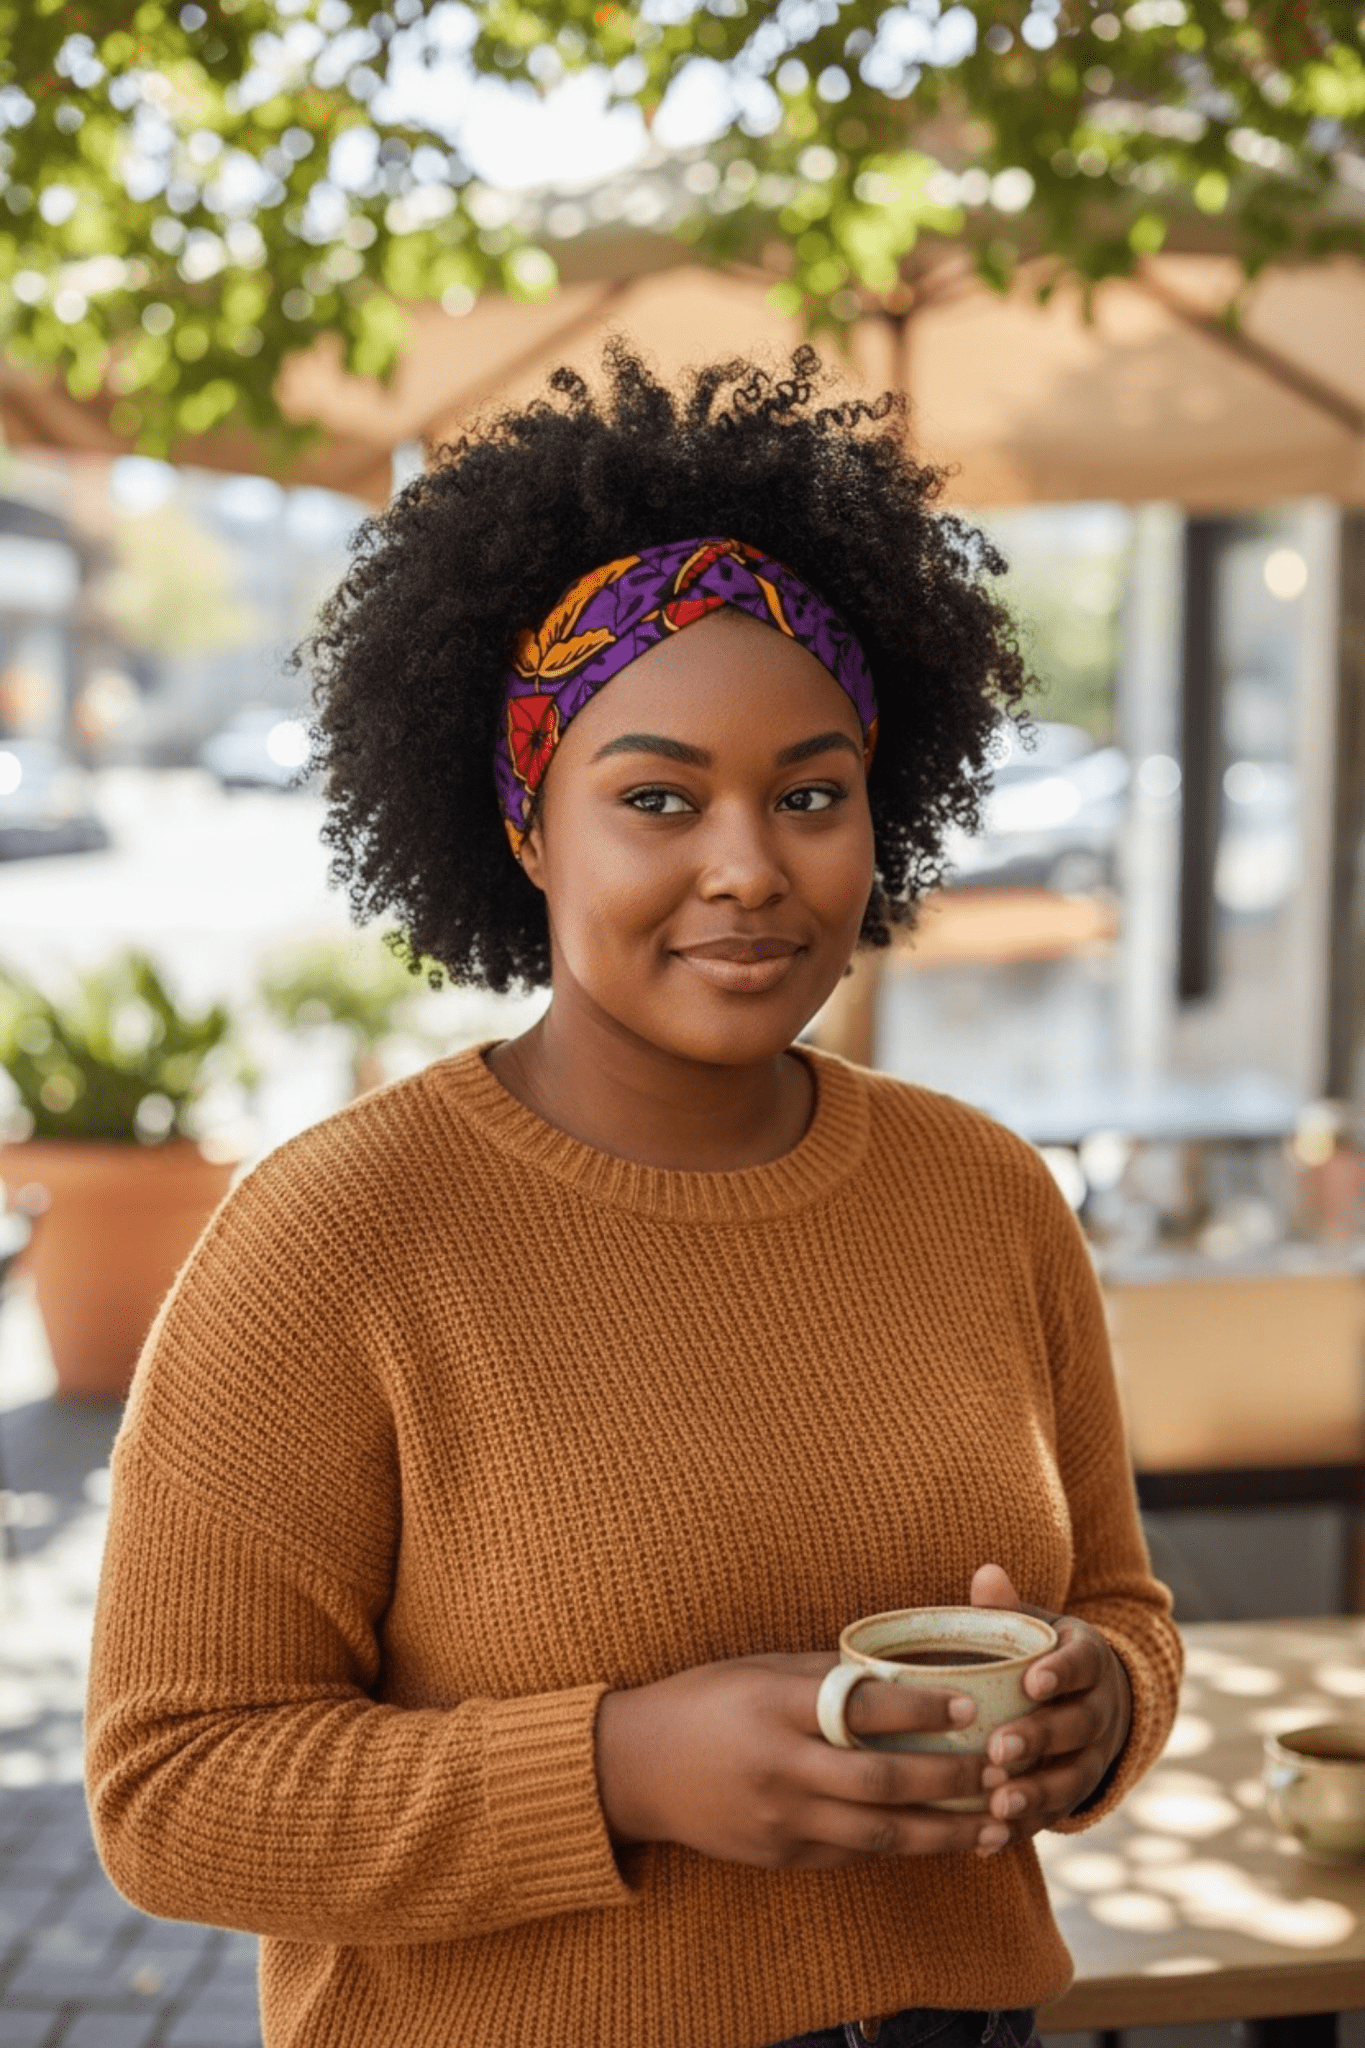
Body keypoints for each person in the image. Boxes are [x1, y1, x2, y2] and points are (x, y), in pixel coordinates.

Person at [87, 346, 1180, 2048]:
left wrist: (1098, 1711)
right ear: (529, 830)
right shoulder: (336, 1240)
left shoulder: (984, 1193)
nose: (749, 865)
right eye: (658, 798)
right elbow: (171, 1788)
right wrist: (616, 1768)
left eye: (811, 795)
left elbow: (1119, 1606)